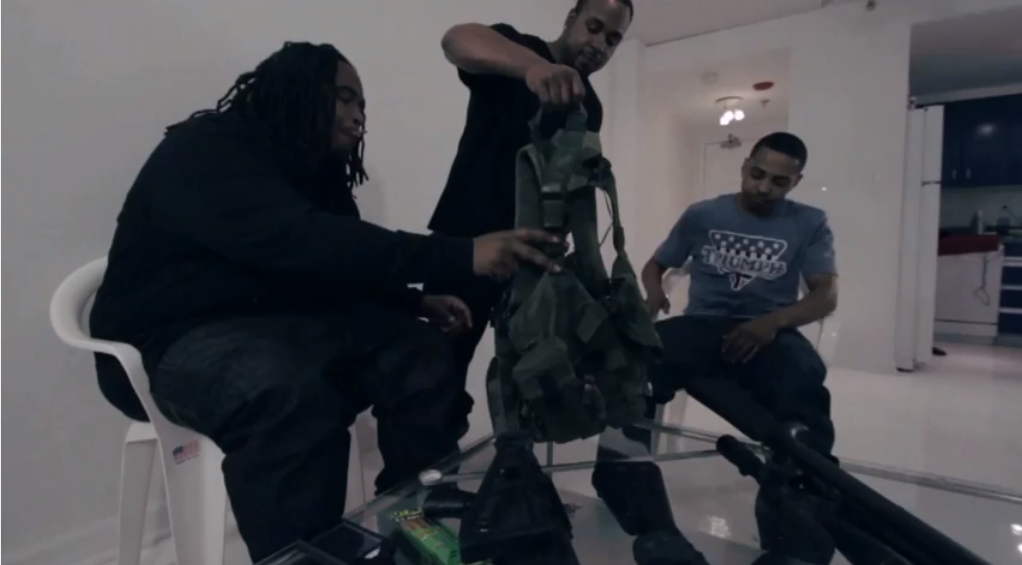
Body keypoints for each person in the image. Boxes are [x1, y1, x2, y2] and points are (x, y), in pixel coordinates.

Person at [89, 42, 557, 561]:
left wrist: (411, 304)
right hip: (169, 341)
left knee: (419, 351)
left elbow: (338, 259)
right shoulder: (206, 150)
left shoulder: (313, 168)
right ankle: (307, 555)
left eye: (362, 105)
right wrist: (463, 253)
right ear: (297, 91)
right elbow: (301, 240)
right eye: (344, 97)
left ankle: (414, 517)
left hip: (269, 326)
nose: (358, 116)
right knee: (286, 390)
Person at [425, 0, 635, 436]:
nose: (600, 44)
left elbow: (572, 185)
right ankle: (426, 475)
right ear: (571, 18)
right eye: (594, 27)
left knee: (531, 378)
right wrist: (533, 68)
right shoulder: (515, 47)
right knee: (436, 374)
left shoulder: (590, 107)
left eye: (613, 39)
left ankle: (512, 468)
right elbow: (456, 40)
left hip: (532, 260)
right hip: (466, 242)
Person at [641, 131, 838, 455]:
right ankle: (627, 466)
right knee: (634, 358)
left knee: (803, 379)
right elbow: (656, 265)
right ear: (745, 167)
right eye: (757, 174)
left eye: (779, 181)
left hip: (771, 331)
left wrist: (771, 323)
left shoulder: (810, 222)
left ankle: (803, 476)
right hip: (703, 323)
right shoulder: (702, 215)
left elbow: (826, 296)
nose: (764, 188)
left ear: (796, 182)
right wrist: (653, 293)